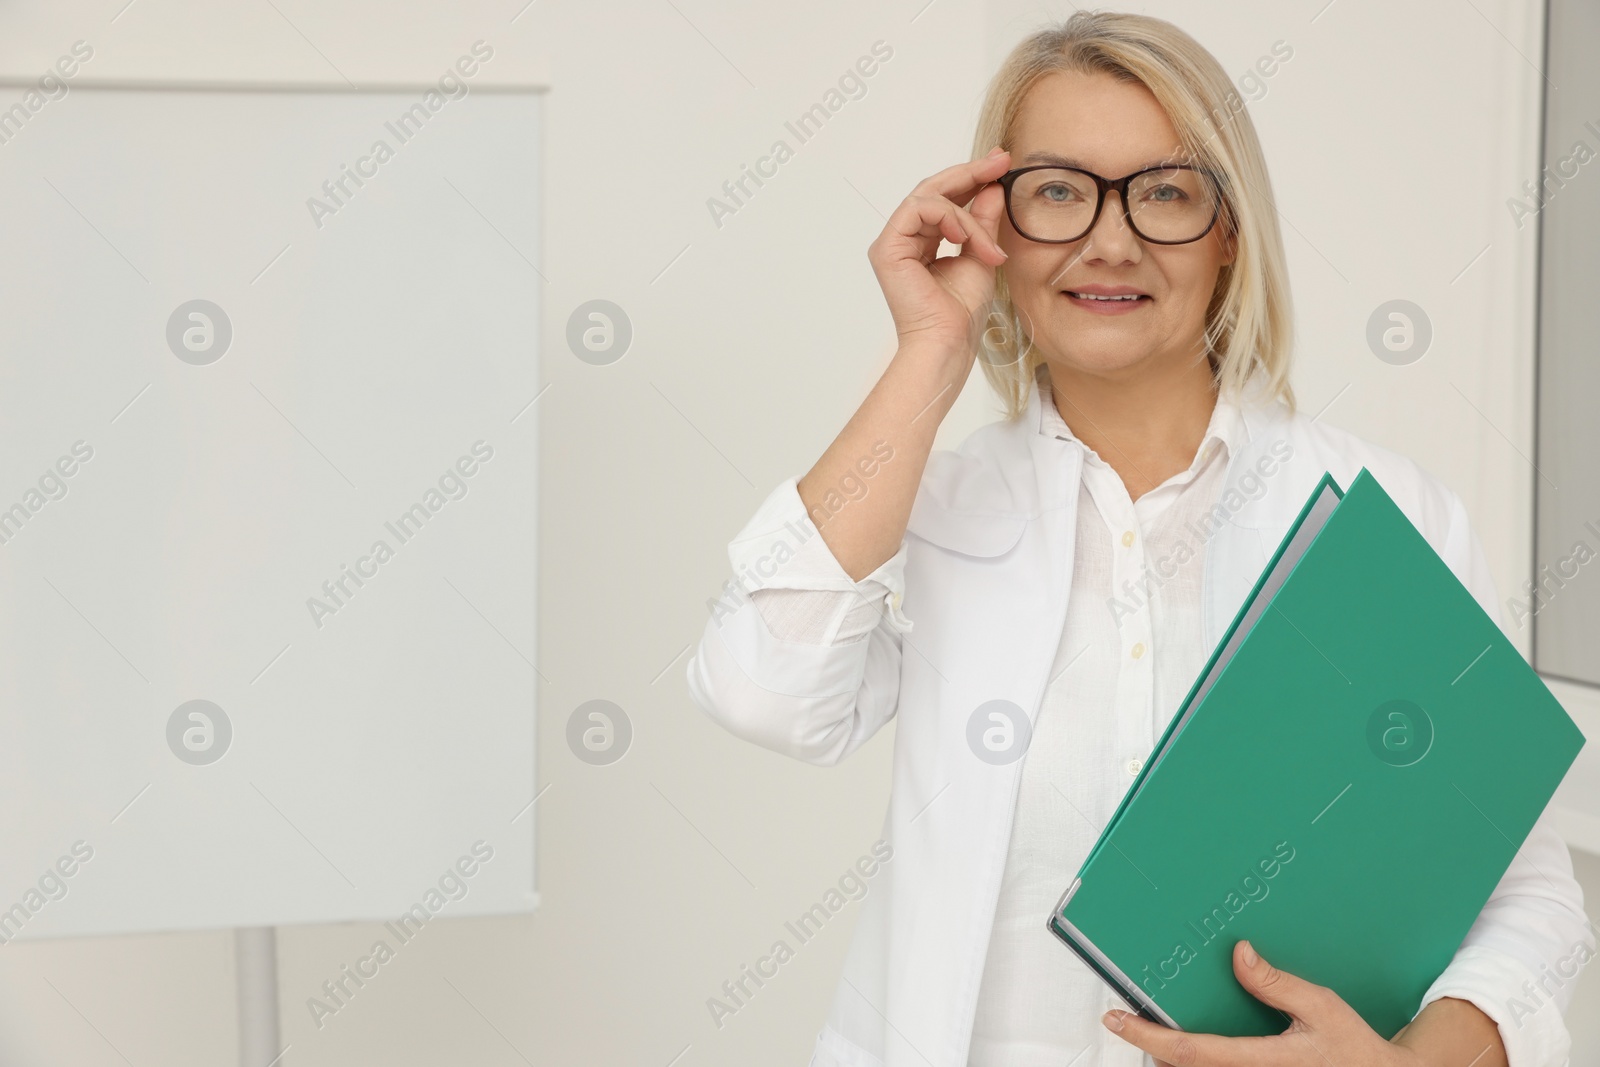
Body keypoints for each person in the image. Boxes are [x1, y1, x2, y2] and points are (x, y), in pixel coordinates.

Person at [685, 11, 1592, 1067]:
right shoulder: (926, 505)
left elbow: (1521, 883)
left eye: (1162, 192)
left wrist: (1416, 1062)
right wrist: (931, 352)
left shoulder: (1382, 513)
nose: (1108, 239)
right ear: (997, 229)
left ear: (1228, 232)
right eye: (1058, 192)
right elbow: (762, 688)